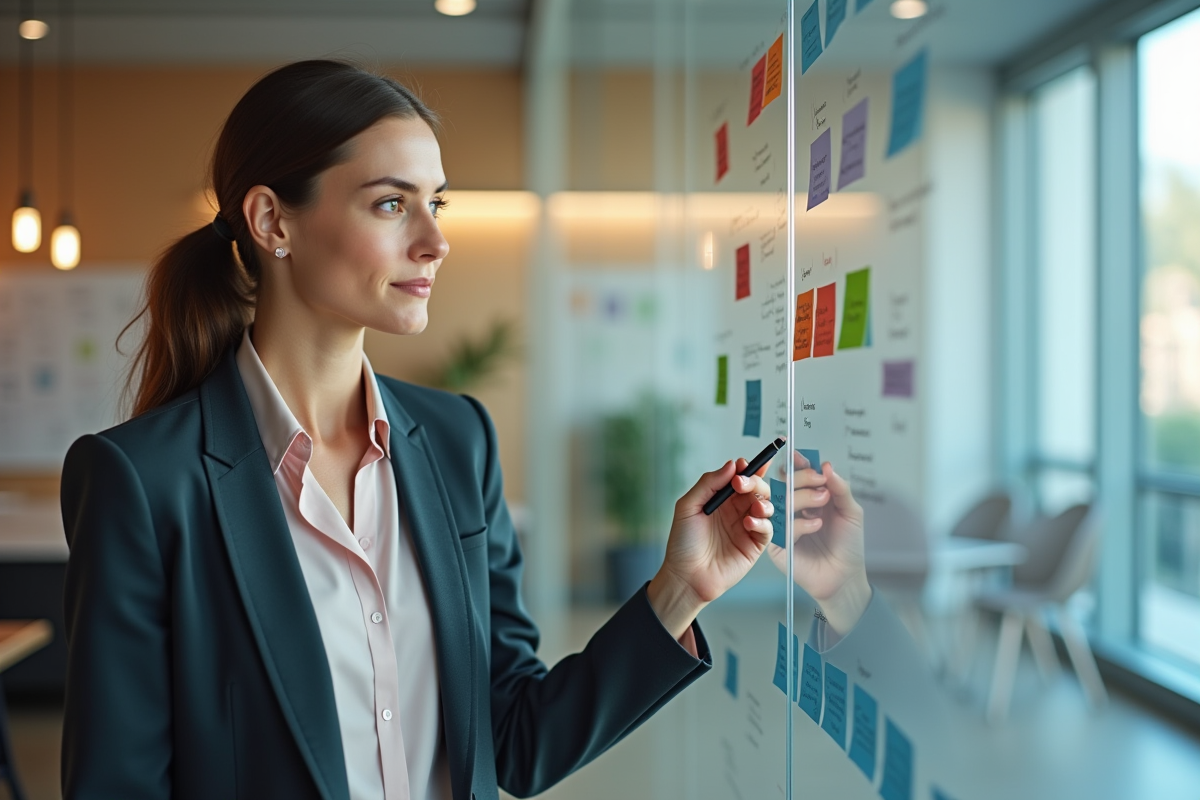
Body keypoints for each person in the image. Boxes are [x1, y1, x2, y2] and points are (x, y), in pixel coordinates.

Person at [58, 60, 870, 800]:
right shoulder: (142, 481)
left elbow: (513, 742)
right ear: (273, 221)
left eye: (435, 202)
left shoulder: (456, 442)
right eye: (390, 203)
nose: (436, 241)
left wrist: (680, 590)